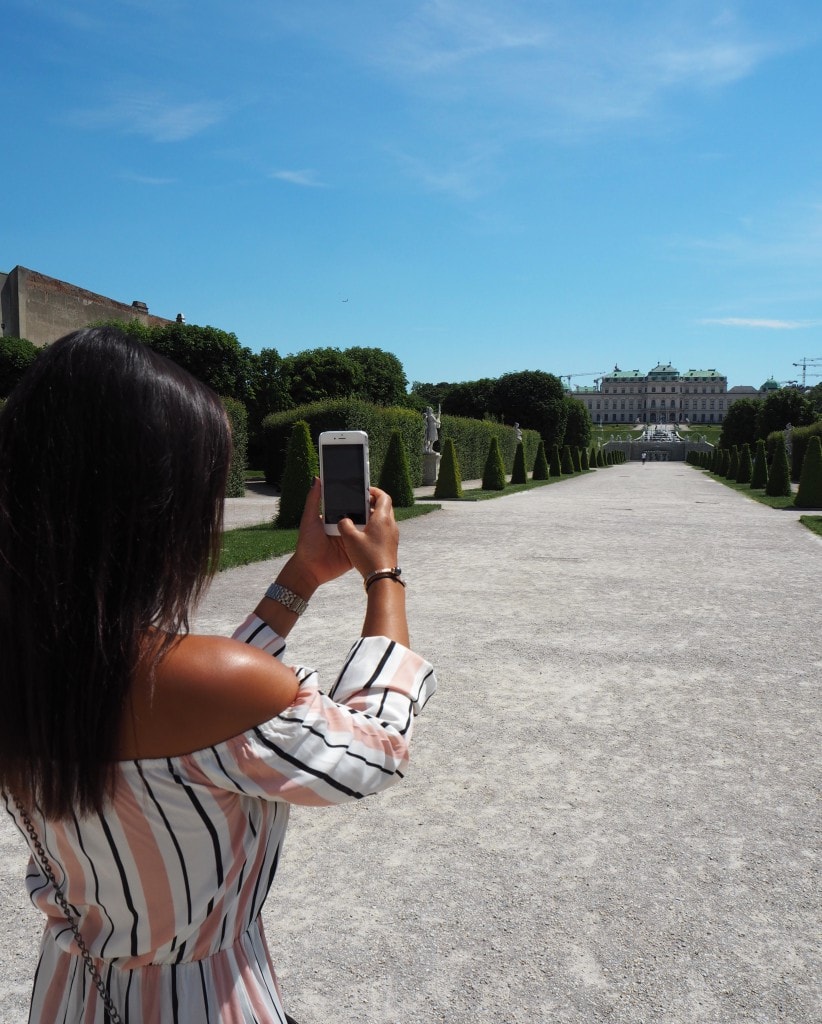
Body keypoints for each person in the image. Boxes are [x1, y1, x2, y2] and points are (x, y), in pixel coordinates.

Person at [0, 327, 436, 1023]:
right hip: (207, 1000)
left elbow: (190, 693)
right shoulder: (199, 686)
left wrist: (300, 576)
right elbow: (374, 748)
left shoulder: (38, 659)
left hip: (73, 991)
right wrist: (384, 575)